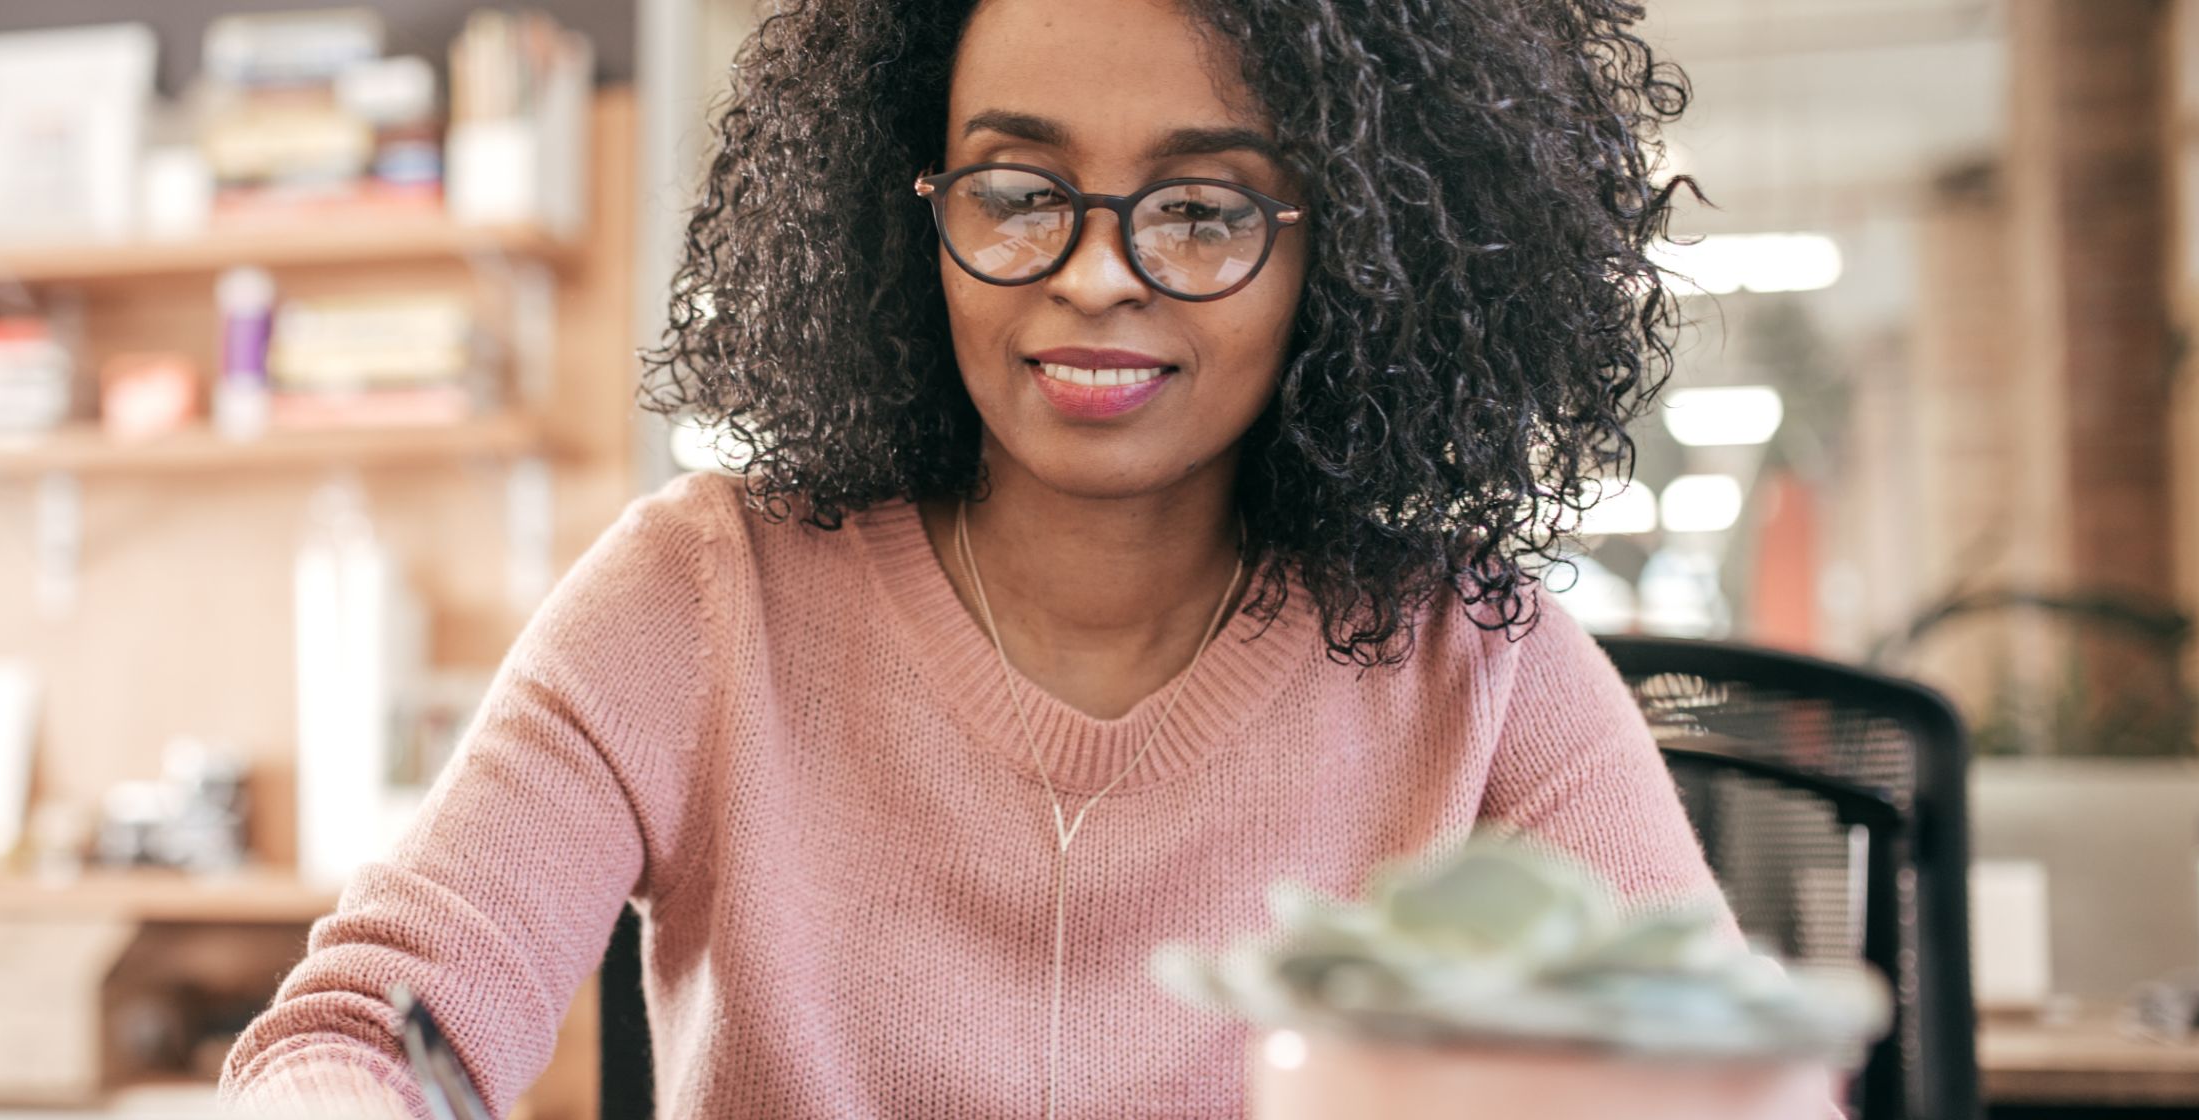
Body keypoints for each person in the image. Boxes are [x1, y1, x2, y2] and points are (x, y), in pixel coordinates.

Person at [223, 0, 1718, 1114]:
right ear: (912, 210)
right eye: (1018, 191)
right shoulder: (697, 601)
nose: (1094, 274)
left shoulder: (1479, 665)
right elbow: (360, 1034)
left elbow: (1730, 1082)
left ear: (1359, 246)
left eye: (1200, 211)